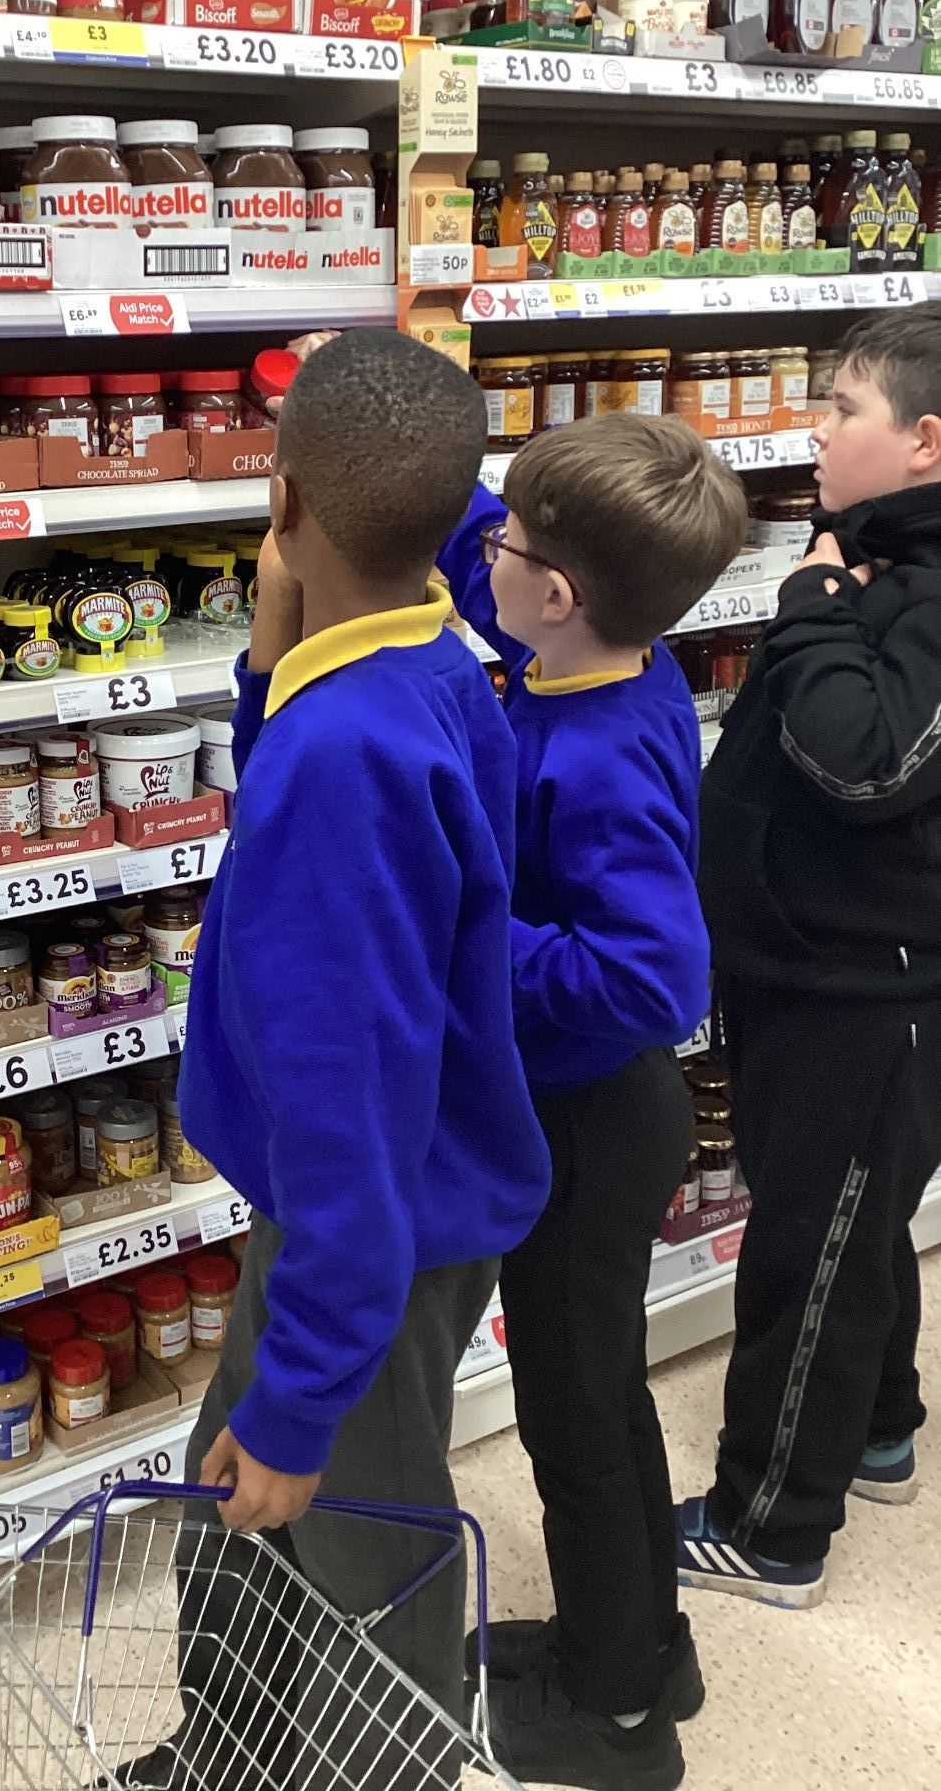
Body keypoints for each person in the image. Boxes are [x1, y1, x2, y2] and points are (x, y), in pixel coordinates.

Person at [121, 328, 551, 1791]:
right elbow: (307, 773)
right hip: (364, 1217)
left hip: (371, 1229)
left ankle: (392, 1769)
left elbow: (350, 1108)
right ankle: (230, 1753)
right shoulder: (430, 657)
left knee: (367, 1563)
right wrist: (267, 653)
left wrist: (304, 1395)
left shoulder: (343, 759)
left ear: (284, 497)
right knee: (232, 1512)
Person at [437, 414, 747, 1791]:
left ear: (555, 593)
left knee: (574, 1420)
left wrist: (472, 939)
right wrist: (429, 462)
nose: (485, 557)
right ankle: (642, 1646)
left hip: (589, 1118)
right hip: (595, 1109)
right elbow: (488, 555)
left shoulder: (597, 752)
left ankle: (618, 1718)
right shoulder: (603, 653)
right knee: (604, 1392)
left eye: (506, 545)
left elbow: (652, 976)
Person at [678, 301, 941, 1609]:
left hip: (866, 993)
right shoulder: (885, 554)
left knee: (809, 1256)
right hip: (811, 965)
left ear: (927, 442)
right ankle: (879, 1428)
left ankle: (772, 1526)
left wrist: (810, 602)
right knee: (858, 1225)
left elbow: (866, 759)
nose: (817, 430)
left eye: (844, 409)